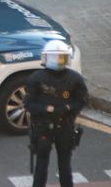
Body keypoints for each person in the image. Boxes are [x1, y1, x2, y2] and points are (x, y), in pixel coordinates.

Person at [25, 40, 88, 187]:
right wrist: (50, 109)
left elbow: (81, 101)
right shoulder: (38, 78)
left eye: (61, 58)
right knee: (48, 165)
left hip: (58, 125)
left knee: (60, 165)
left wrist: (65, 109)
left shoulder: (38, 77)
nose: (58, 61)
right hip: (47, 126)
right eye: (56, 58)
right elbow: (29, 104)